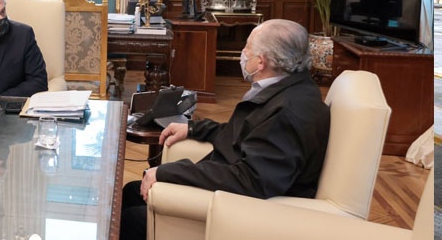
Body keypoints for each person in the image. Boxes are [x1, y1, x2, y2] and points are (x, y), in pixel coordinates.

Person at [119, 19, 331, 240]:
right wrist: (193, 129)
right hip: (227, 182)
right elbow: (244, 134)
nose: (243, 53)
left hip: (240, 209)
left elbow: (250, 180)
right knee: (132, 191)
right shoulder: (289, 88)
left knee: (131, 219)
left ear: (261, 61)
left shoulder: (287, 112)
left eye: (248, 47)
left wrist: (167, 172)